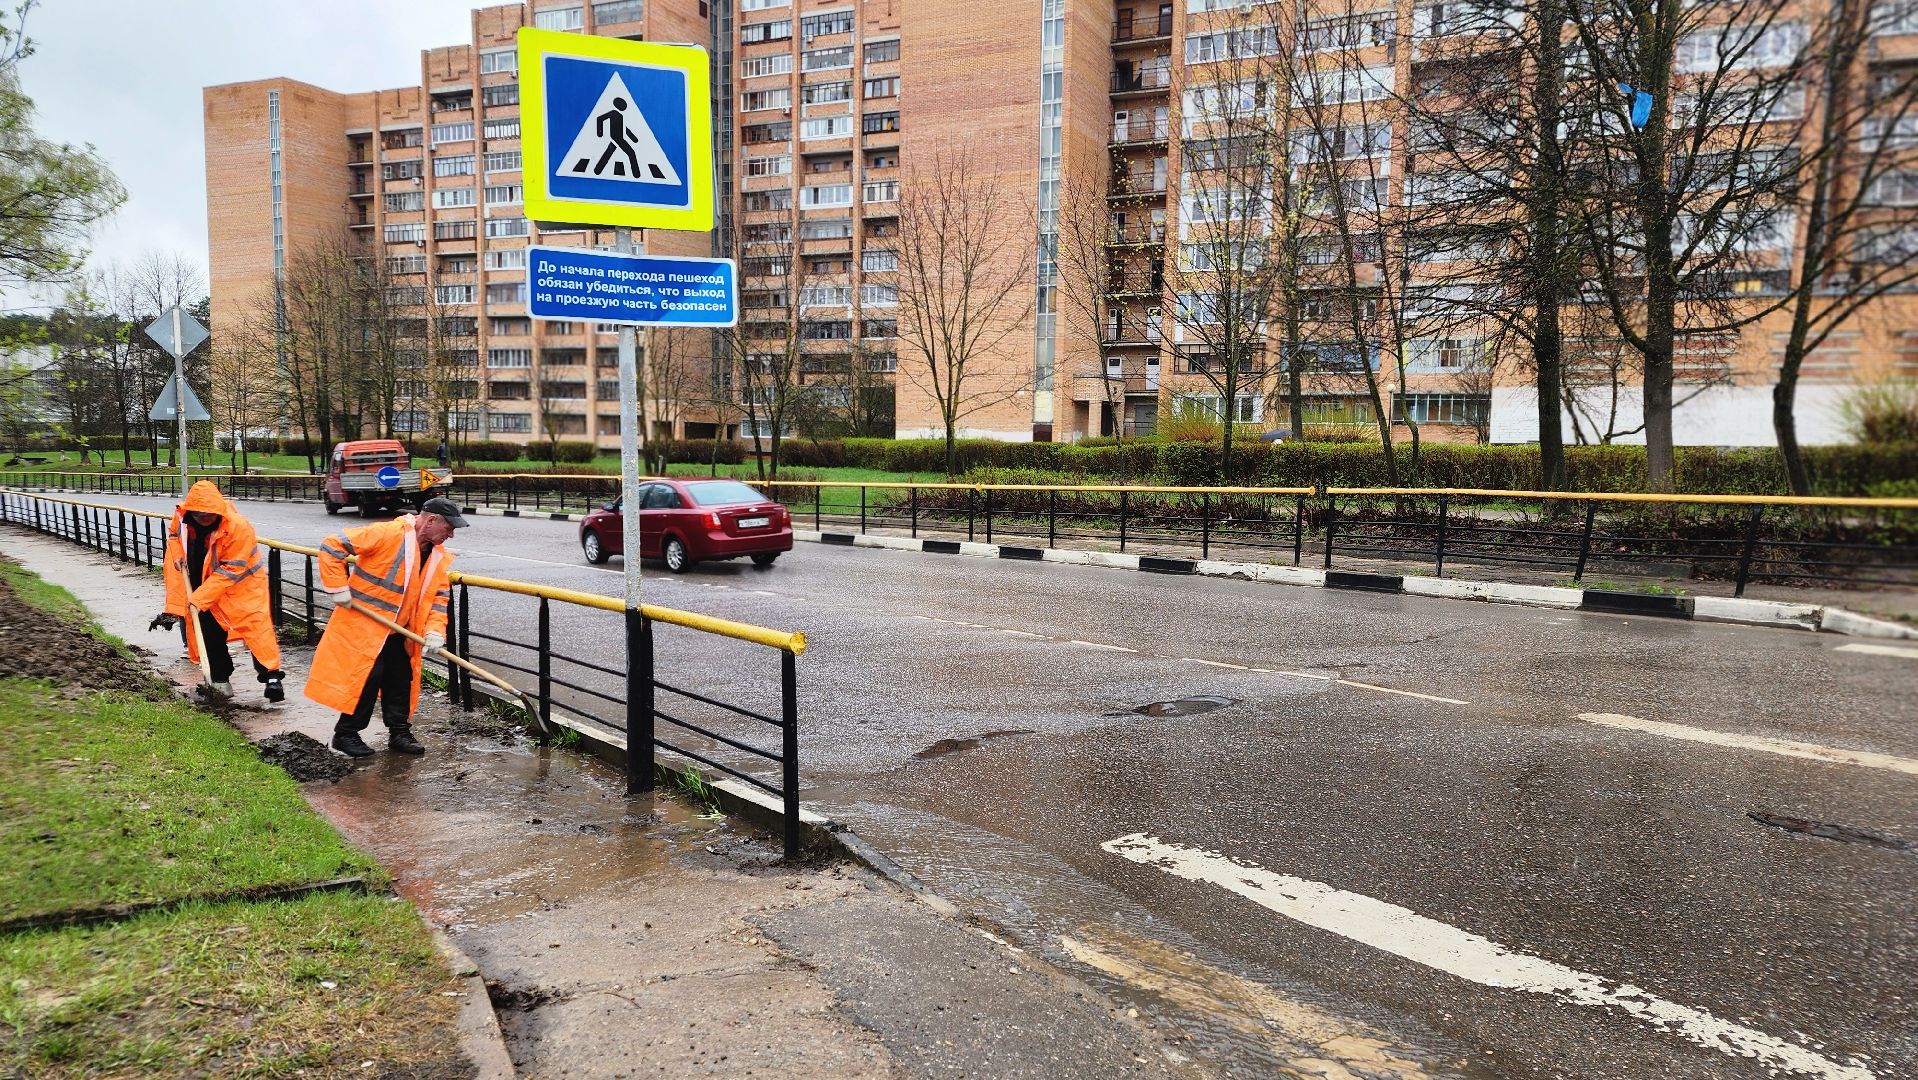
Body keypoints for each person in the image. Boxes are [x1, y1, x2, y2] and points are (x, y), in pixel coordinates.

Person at [307, 496, 466, 758]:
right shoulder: (388, 533)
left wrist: (435, 631)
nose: (450, 536)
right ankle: (346, 734)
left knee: (401, 679)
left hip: (400, 630)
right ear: (431, 520)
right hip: (366, 625)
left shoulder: (437, 556)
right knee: (367, 678)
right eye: (449, 529)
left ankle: (399, 733)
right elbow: (332, 545)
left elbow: (438, 598)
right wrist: (337, 587)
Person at [150, 480, 285, 701]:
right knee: (209, 632)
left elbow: (231, 569)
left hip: (243, 586)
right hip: (202, 585)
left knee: (256, 628)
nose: (205, 519)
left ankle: (272, 677)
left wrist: (198, 598)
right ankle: (220, 682)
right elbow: (174, 537)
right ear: (190, 511)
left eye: (209, 515)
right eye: (200, 515)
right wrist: (179, 557)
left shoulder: (237, 527)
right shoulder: (182, 519)